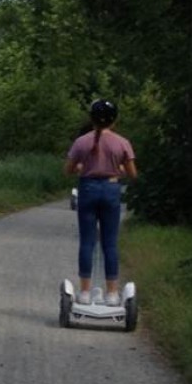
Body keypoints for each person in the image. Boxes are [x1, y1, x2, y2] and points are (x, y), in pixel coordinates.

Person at [64, 99, 138, 306]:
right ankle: (112, 293)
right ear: (115, 119)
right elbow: (133, 174)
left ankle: (85, 292)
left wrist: (82, 168)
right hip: (111, 189)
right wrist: (117, 170)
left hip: (88, 189)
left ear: (91, 118)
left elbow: (68, 170)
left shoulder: (81, 142)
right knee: (110, 243)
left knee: (87, 242)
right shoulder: (122, 142)